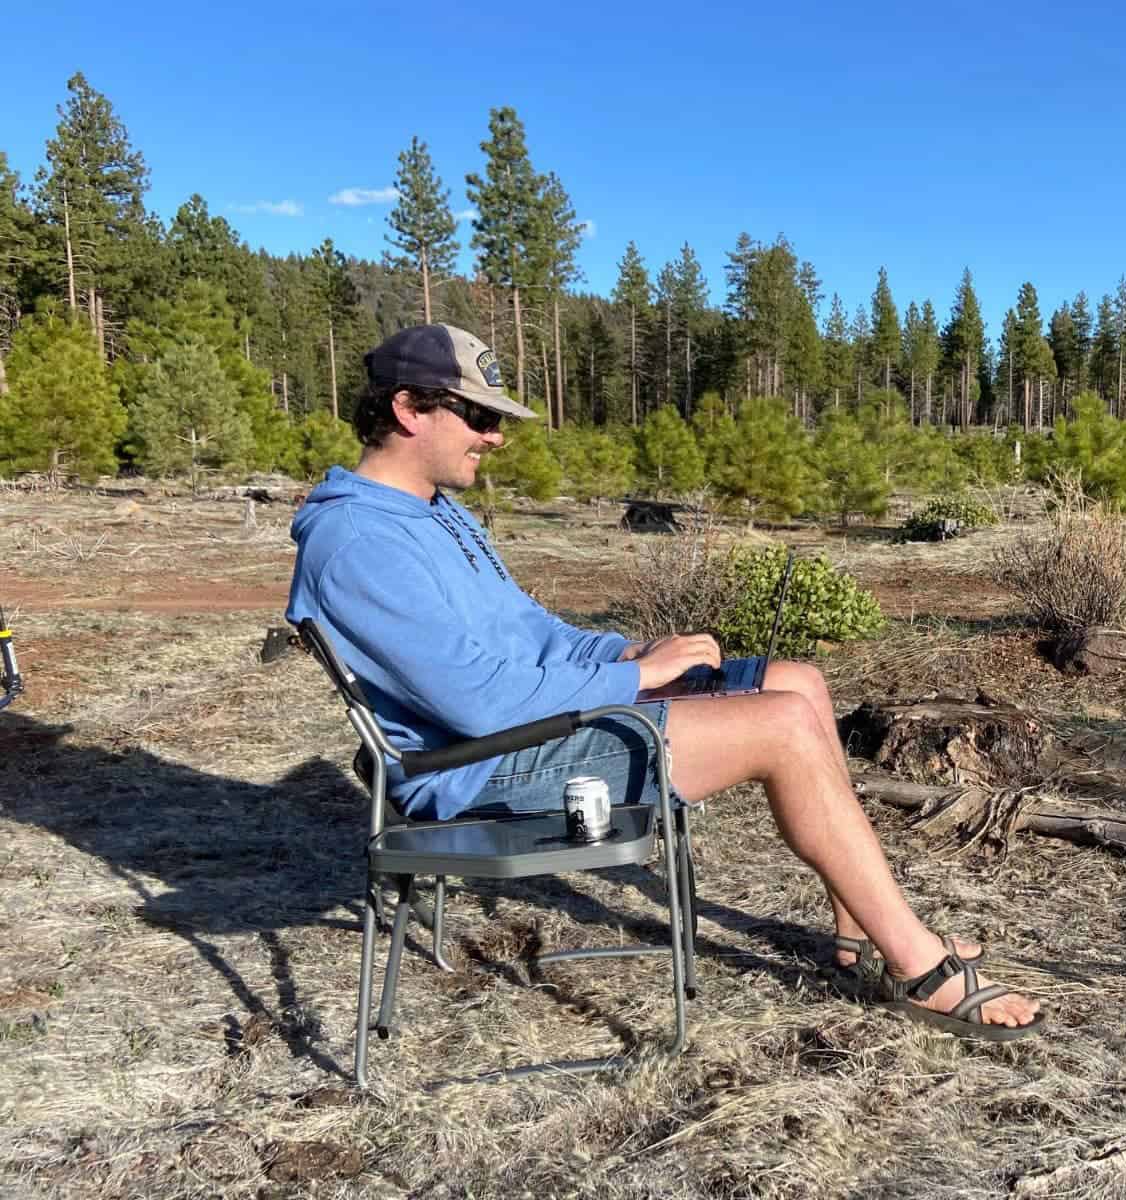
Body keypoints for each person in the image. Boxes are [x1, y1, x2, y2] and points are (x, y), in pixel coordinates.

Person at [286, 324, 1042, 1039]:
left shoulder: (435, 514)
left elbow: (534, 633)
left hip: (533, 724)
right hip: (478, 766)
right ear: (409, 408)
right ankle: (917, 965)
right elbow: (480, 704)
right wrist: (640, 678)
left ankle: (858, 935)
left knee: (798, 681)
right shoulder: (359, 541)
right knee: (780, 725)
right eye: (478, 415)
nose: (496, 434)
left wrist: (631, 652)